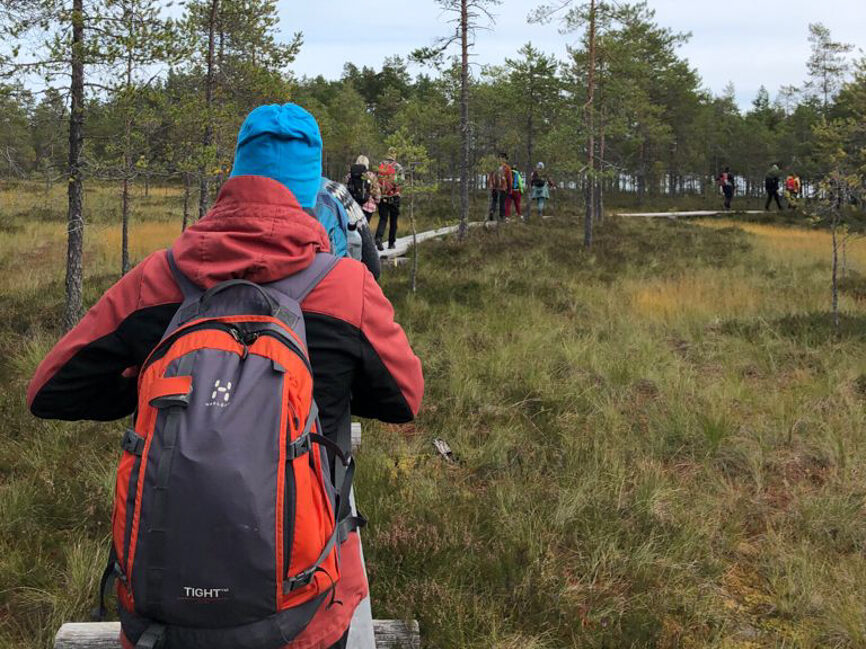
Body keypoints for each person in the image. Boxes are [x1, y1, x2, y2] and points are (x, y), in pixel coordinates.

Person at [26, 103, 424, 649]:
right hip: (305, 609)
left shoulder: (155, 281)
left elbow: (51, 391)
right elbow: (405, 399)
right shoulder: (345, 288)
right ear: (311, 190)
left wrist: (159, 378)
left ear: (234, 178)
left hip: (165, 617)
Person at [322, 176, 382, 280]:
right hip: (335, 282)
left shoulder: (349, 177)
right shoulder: (335, 190)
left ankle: (380, 239)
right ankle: (383, 241)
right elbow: (373, 267)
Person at [375, 148, 404, 250]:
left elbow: (375, 180)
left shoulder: (380, 165)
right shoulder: (398, 167)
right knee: (393, 220)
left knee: (383, 219)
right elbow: (401, 182)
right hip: (394, 196)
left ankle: (378, 237)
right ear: (395, 155)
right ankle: (391, 243)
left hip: (383, 196)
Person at [346, 154, 381, 223]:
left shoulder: (349, 175)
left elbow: (347, 188)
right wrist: (377, 200)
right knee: (364, 228)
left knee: (354, 229)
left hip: (353, 205)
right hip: (368, 206)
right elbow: (376, 191)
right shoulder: (371, 175)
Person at [487, 152, 512, 222]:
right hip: (503, 188)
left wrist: (491, 185)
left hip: (495, 188)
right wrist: (510, 189)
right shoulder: (507, 168)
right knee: (502, 202)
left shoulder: (494, 167)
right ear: (505, 159)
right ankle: (502, 216)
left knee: (494, 201)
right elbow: (509, 180)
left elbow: (490, 177)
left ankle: (492, 210)